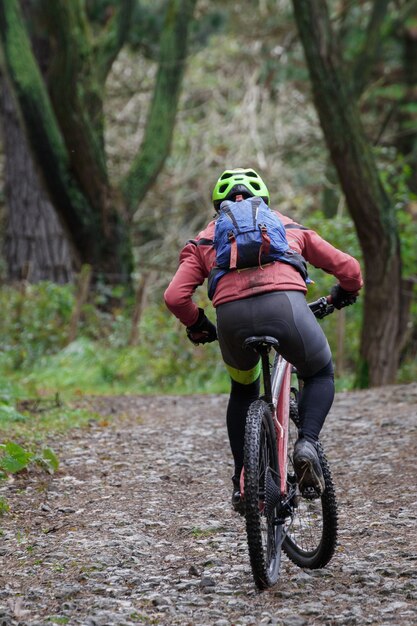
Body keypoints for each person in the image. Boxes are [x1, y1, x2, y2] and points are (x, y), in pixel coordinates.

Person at [164, 168, 363, 511]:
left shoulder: (205, 239)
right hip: (287, 310)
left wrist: (199, 324)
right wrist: (344, 293)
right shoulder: (286, 225)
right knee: (318, 372)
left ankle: (245, 479)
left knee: (243, 390)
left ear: (219, 205)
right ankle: (308, 444)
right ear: (264, 200)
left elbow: (174, 296)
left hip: (232, 320)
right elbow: (350, 268)